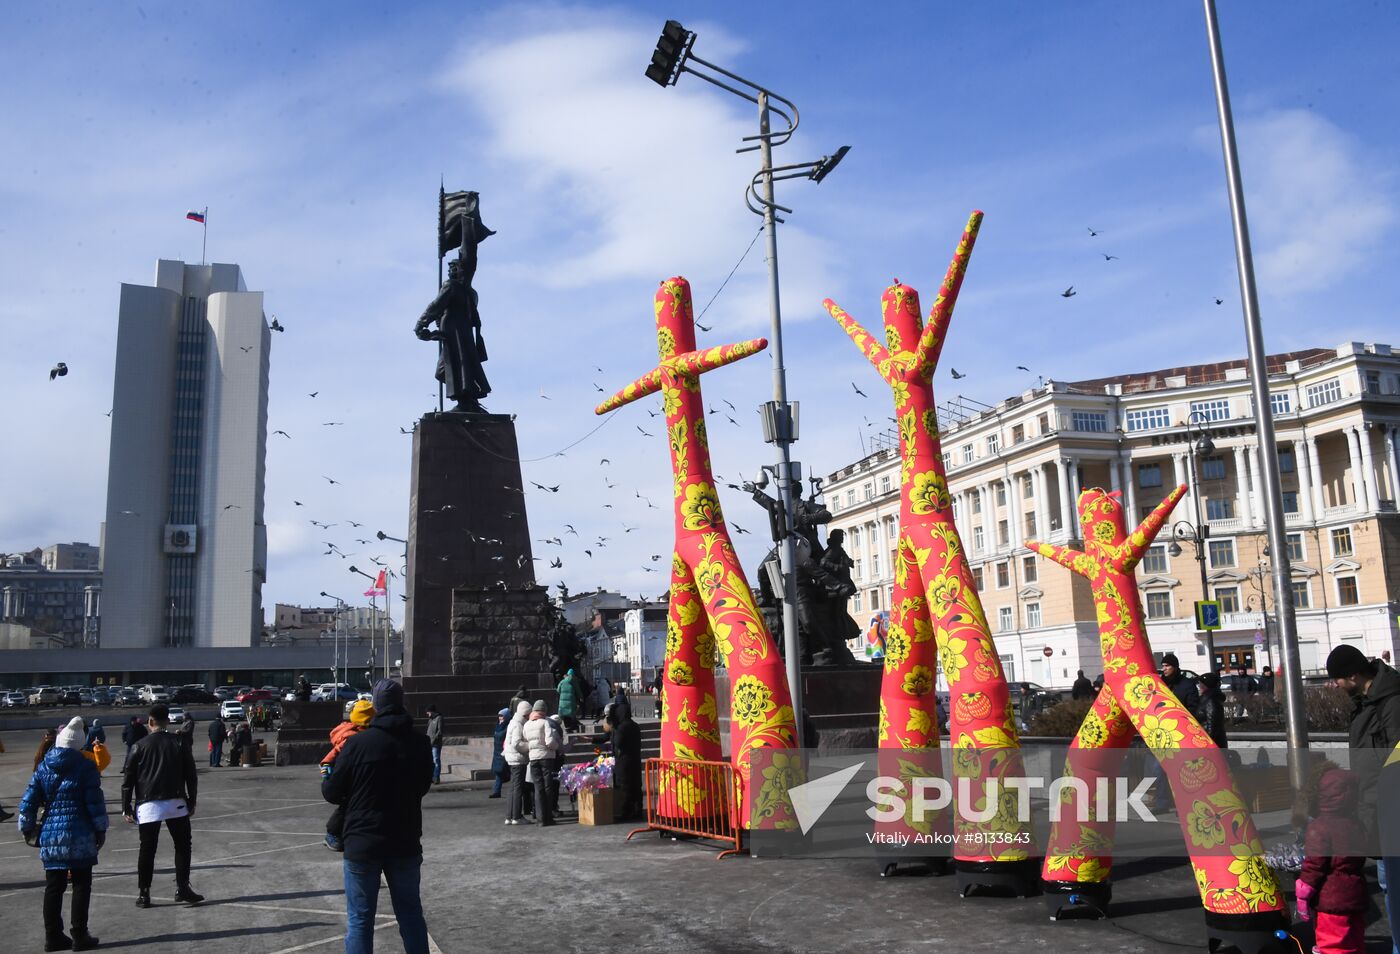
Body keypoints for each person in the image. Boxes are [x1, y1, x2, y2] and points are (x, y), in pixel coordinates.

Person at [320, 679, 434, 954]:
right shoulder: (420, 742)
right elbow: (423, 787)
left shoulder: (358, 744)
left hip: (362, 842)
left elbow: (333, 793)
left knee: (360, 919)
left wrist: (329, 775)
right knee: (410, 914)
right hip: (405, 840)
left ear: (377, 706)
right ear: (401, 703)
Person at [1327, 644, 1400, 954]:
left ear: (1353, 676)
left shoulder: (1391, 702)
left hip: (1390, 809)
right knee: (1388, 886)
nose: (1335, 685)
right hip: (1376, 807)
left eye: (1337, 679)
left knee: (1394, 888)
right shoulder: (1365, 701)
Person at [20, 716, 108, 952]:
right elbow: (94, 802)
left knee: (54, 886)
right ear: (79, 743)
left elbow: (28, 801)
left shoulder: (44, 766)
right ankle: (80, 934)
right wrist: (101, 829)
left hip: (51, 833)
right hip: (80, 833)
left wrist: (26, 827)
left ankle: (52, 936)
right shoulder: (86, 765)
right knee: (81, 885)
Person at [121, 704, 202, 908]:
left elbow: (128, 779)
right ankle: (182, 887)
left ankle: (144, 893)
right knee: (183, 845)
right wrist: (191, 800)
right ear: (167, 721)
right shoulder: (179, 742)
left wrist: (126, 807)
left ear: (150, 722)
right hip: (175, 801)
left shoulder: (138, 746)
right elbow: (191, 775)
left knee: (147, 849)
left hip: (148, 804)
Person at [1296, 768, 1368, 954]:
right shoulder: (1356, 824)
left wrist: (1303, 894)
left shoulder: (1319, 827)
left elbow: (1315, 865)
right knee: (1355, 942)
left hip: (1331, 900)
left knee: (1333, 945)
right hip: (1355, 896)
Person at [322, 699, 375, 851]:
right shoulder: (351, 738)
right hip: (339, 773)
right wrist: (327, 770)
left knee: (351, 804)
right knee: (348, 805)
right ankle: (332, 833)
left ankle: (337, 833)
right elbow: (332, 757)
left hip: (340, 772)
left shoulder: (351, 732)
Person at [522, 701, 560, 827]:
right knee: (548, 788)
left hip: (533, 759)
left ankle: (540, 819)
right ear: (544, 711)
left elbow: (526, 740)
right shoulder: (545, 723)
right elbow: (549, 742)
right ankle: (548, 817)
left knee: (538, 789)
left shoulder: (527, 725)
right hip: (546, 758)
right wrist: (556, 746)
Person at [609, 704, 643, 821]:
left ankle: (626, 811)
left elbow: (618, 743)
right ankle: (638, 809)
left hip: (624, 761)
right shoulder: (635, 725)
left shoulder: (622, 727)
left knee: (625, 786)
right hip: (636, 759)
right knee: (636, 786)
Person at [502, 700, 531, 824]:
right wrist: (530, 746)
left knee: (513, 787)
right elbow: (516, 743)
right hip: (518, 759)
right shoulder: (519, 724)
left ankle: (510, 816)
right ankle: (517, 816)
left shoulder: (513, 722)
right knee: (518, 787)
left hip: (511, 758)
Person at [1195, 672, 1228, 749]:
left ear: (1206, 685)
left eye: (1201, 684)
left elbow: (1212, 726)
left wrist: (1207, 744)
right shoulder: (1206, 699)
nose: (1199, 686)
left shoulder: (1211, 701)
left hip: (1212, 745)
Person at [546, 713, 569, 814]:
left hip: (545, 759)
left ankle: (540, 809)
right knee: (554, 785)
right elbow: (561, 748)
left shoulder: (545, 727)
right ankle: (553, 808)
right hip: (554, 760)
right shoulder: (555, 730)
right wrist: (574, 741)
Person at [490, 708, 511, 799]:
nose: (500, 718)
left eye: (502, 716)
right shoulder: (498, 726)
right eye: (499, 716)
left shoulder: (509, 726)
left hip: (505, 751)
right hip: (497, 752)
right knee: (499, 772)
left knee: (506, 771)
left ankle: (515, 790)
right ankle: (496, 791)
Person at [425, 704, 443, 785]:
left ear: (431, 711)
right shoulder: (430, 720)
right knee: (431, 761)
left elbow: (440, 731)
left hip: (436, 744)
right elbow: (428, 731)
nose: (427, 714)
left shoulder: (439, 718)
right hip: (429, 743)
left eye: (428, 712)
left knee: (436, 760)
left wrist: (433, 740)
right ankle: (432, 777)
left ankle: (436, 777)